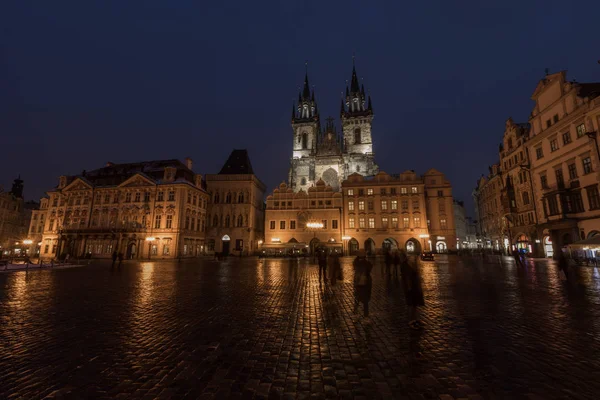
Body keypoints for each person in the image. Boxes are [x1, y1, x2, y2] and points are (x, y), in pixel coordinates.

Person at [400, 249, 425, 330]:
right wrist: (409, 287)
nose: (415, 259)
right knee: (411, 304)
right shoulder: (406, 266)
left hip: (415, 287)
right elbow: (407, 278)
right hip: (410, 288)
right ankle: (411, 320)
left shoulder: (413, 266)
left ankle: (416, 319)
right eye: (413, 258)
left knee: (415, 304)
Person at [353, 249, 373, 319]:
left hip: (357, 282)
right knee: (365, 299)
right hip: (365, 282)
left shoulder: (356, 262)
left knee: (357, 297)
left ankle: (355, 312)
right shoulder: (366, 263)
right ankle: (366, 315)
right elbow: (369, 268)